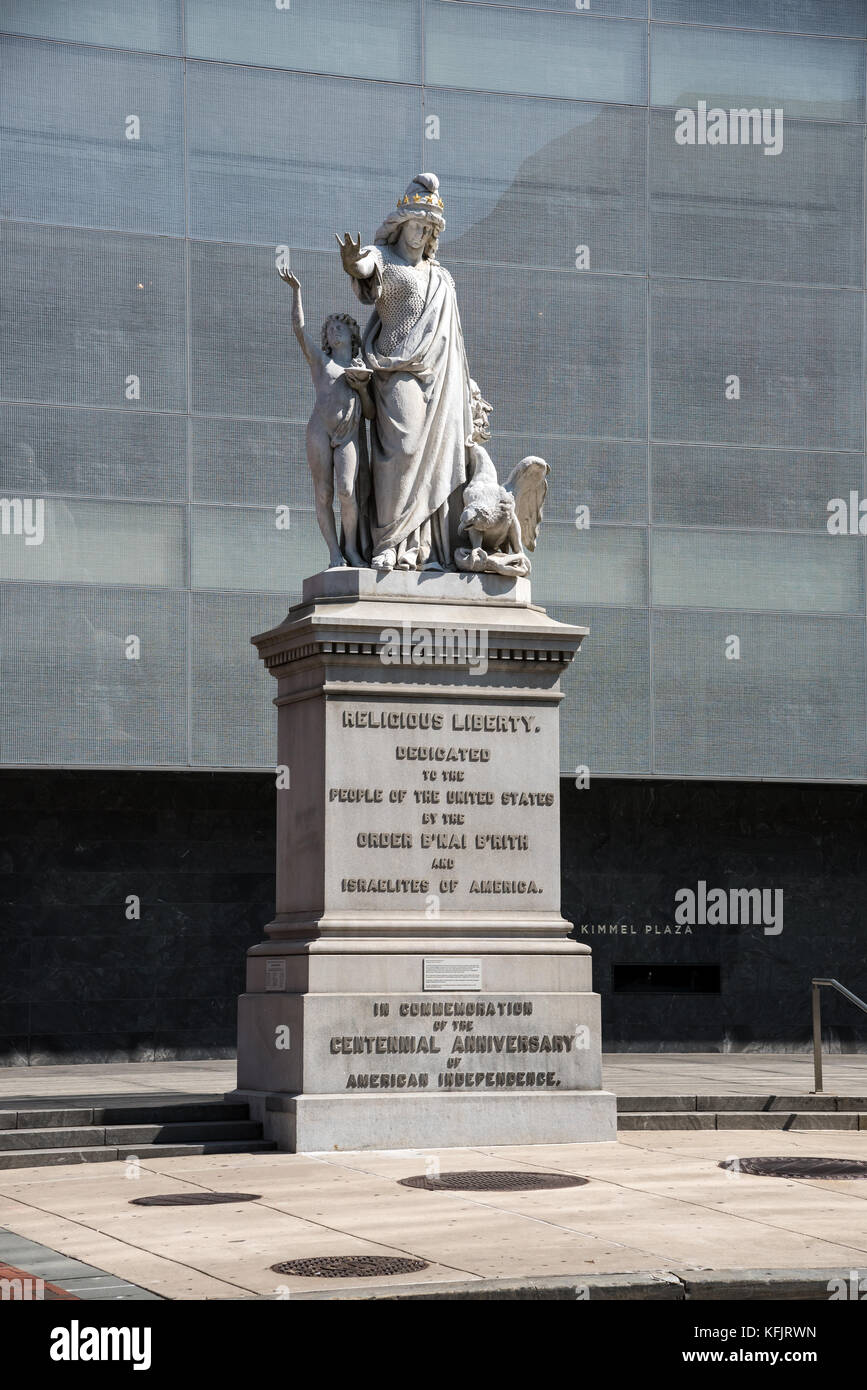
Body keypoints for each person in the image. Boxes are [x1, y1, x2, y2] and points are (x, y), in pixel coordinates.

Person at [336, 173, 472, 571]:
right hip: (397, 372)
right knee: (404, 449)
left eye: (428, 228)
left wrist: (468, 390)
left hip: (440, 379)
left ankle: (422, 548)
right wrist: (352, 262)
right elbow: (365, 267)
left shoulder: (442, 277)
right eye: (416, 224)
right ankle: (389, 540)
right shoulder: (385, 258)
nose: (421, 232)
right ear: (400, 225)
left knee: (437, 456)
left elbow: (455, 344)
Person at [278, 267, 373, 568]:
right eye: (330, 330)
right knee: (324, 494)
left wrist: (363, 389)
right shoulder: (322, 361)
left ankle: (352, 549)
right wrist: (297, 291)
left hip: (348, 433)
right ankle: (334, 553)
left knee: (347, 491)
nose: (334, 332)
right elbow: (297, 328)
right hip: (319, 429)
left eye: (340, 328)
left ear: (352, 336)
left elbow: (369, 413)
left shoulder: (361, 368)